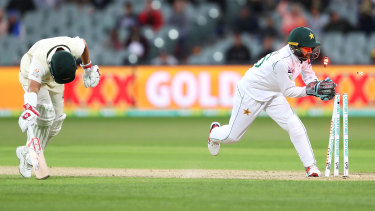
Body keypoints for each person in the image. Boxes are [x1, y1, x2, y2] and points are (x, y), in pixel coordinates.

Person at [208, 27, 336, 177]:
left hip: (273, 93)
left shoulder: (303, 56)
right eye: (307, 48)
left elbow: (309, 76)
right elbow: (288, 91)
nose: (310, 51)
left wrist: (316, 85)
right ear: (295, 47)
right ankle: (214, 132)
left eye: (311, 48)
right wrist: (312, 90)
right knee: (232, 137)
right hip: (251, 93)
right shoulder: (282, 62)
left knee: (294, 125)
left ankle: (310, 167)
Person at [16, 36, 100, 178]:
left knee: (56, 123)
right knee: (46, 115)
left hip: (54, 77)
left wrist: (87, 68)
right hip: (30, 74)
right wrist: (29, 107)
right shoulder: (39, 62)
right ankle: (29, 159)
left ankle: (26, 152)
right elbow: (33, 87)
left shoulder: (74, 46)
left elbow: (84, 45)